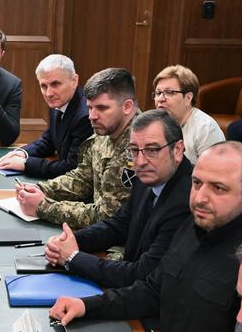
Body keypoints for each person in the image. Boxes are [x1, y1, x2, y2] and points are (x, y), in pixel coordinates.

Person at [49, 142, 242, 332]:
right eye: (197, 183)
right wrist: (88, 305)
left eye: (218, 188)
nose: (200, 198)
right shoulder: (197, 222)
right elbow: (152, 290)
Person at [44, 109, 192, 288]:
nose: (140, 161)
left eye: (152, 150)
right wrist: (72, 241)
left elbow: (141, 274)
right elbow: (119, 225)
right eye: (134, 150)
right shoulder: (149, 175)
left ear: (177, 150)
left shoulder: (186, 200)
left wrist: (73, 258)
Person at [14, 67, 134, 229]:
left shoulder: (138, 148)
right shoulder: (106, 130)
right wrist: (43, 189)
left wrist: (44, 207)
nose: (92, 116)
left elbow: (107, 216)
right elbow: (82, 178)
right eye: (90, 108)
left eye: (102, 108)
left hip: (121, 243)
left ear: (127, 107)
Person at [0, 54, 92, 178]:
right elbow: (49, 140)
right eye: (44, 86)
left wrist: (26, 164)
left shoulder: (85, 116)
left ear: (74, 81)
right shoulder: (60, 103)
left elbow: (71, 168)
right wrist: (22, 153)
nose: (49, 93)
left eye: (55, 84)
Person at [151, 64, 224, 160]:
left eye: (169, 92)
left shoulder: (205, 128)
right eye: (158, 93)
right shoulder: (153, 124)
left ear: (188, 98)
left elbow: (214, 171)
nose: (160, 99)